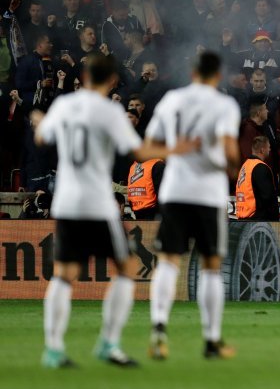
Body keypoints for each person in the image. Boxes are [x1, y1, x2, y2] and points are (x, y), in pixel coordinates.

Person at [33, 54, 193, 368]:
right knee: (125, 268)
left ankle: (53, 350)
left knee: (64, 276)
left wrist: (39, 120)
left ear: (85, 75)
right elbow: (139, 151)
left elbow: (41, 138)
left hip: (66, 203)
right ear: (112, 81)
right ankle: (108, 343)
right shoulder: (109, 112)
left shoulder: (64, 106)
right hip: (97, 203)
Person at [145, 51, 241, 360]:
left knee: (168, 260)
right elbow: (229, 152)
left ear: (193, 72)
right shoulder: (224, 105)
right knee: (212, 266)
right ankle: (211, 341)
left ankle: (159, 327)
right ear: (218, 74)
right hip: (207, 194)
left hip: (174, 191)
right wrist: (230, 164)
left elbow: (148, 147)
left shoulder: (172, 99)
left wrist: (177, 149)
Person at [235, 135, 279, 221]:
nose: (270, 150)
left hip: (243, 217)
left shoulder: (245, 166)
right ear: (262, 150)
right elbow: (268, 197)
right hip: (257, 220)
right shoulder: (260, 167)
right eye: (268, 147)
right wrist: (275, 219)